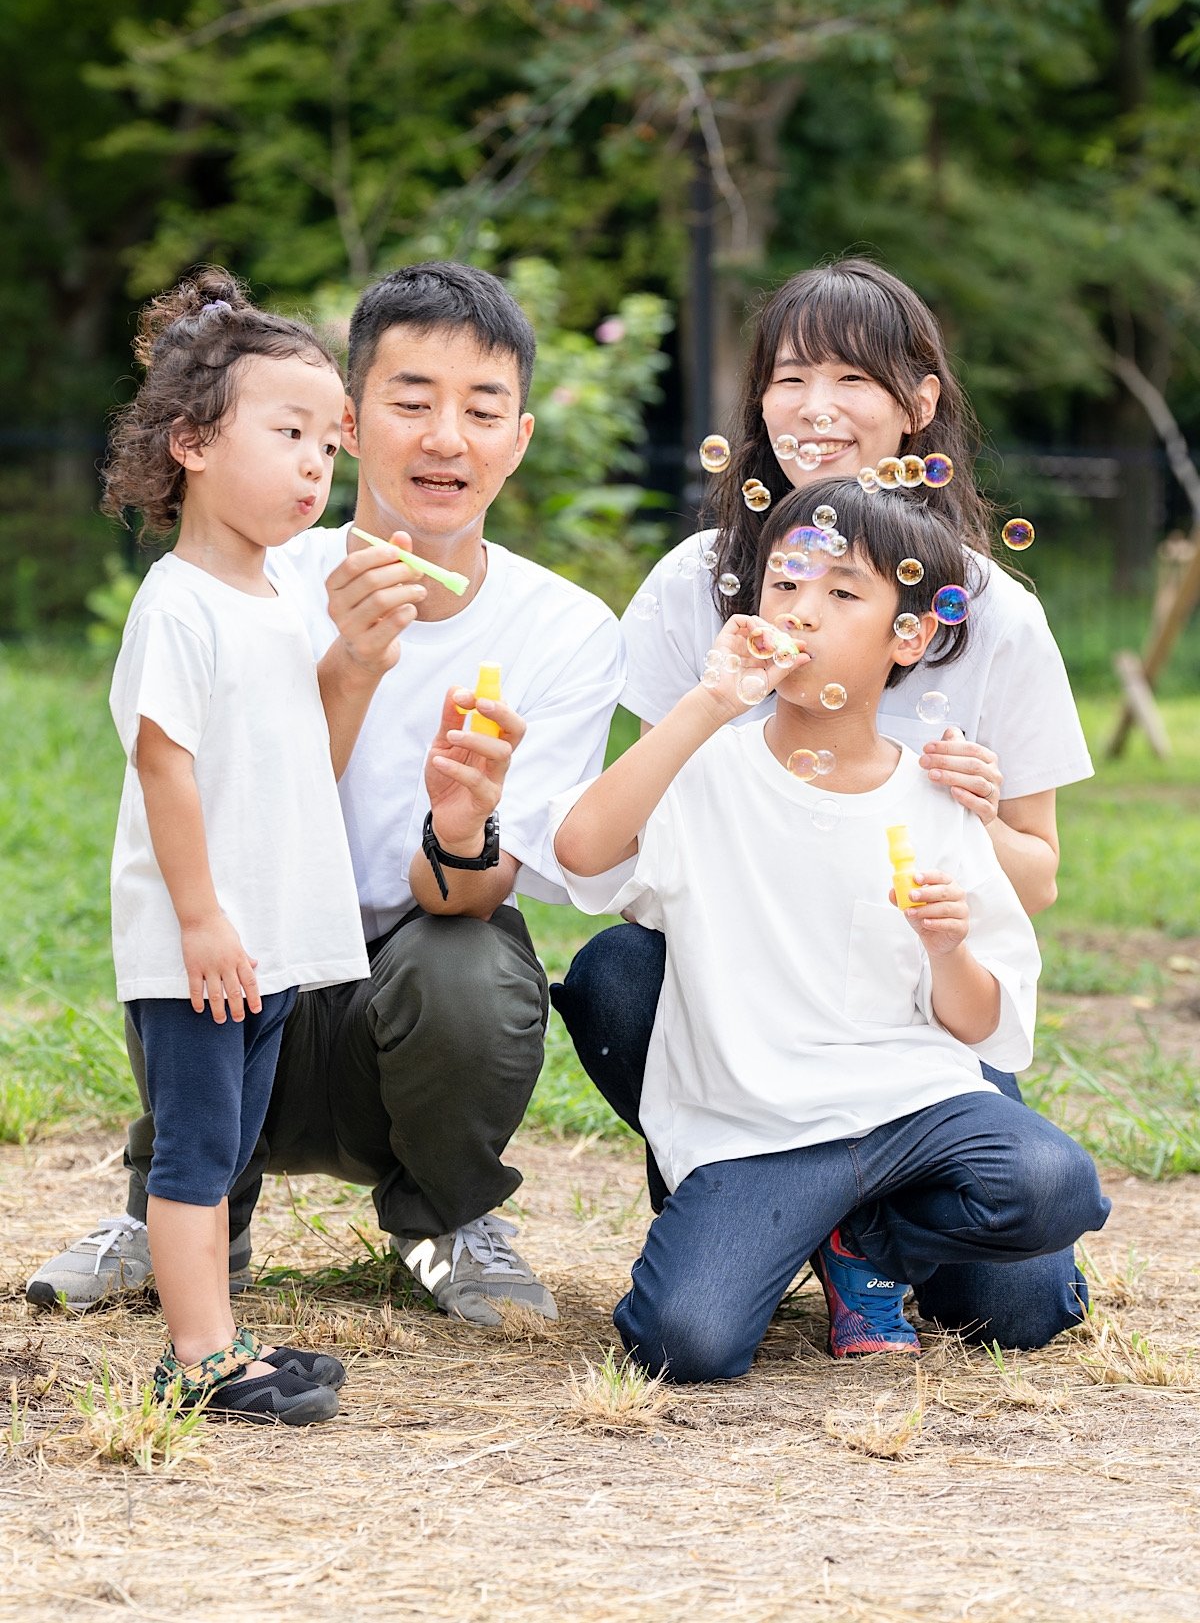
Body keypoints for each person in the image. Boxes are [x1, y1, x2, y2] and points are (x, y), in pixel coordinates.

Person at [28, 262, 625, 1327]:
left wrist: (458, 824)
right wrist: (349, 667)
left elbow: (470, 896)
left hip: (393, 1009)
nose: (446, 437)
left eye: (482, 410)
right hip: (243, 976)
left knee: (470, 966)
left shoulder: (567, 628)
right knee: (186, 914)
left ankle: (444, 1219)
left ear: (519, 439)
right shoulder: (255, 578)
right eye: (410, 402)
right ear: (348, 422)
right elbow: (200, 802)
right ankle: (193, 1204)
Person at [552, 257, 1096, 1353]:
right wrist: (711, 704)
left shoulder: (992, 614)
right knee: (614, 972)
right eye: (789, 376)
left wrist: (980, 818)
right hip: (749, 1014)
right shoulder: (702, 582)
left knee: (1026, 1305)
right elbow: (610, 843)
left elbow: (1030, 876)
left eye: (853, 376)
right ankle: (745, 1204)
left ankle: (858, 1235)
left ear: (919, 404)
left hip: (908, 1019)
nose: (814, 406)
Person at [98, 269, 370, 1422]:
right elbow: (166, 763)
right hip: (206, 940)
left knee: (230, 1146)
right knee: (198, 1154)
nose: (317, 465)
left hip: (264, 941)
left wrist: (360, 657)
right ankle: (198, 1356)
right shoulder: (180, 600)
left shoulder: (275, 596)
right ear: (194, 443)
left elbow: (286, 742)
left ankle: (223, 1336)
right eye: (289, 433)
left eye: (326, 442)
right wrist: (202, 918)